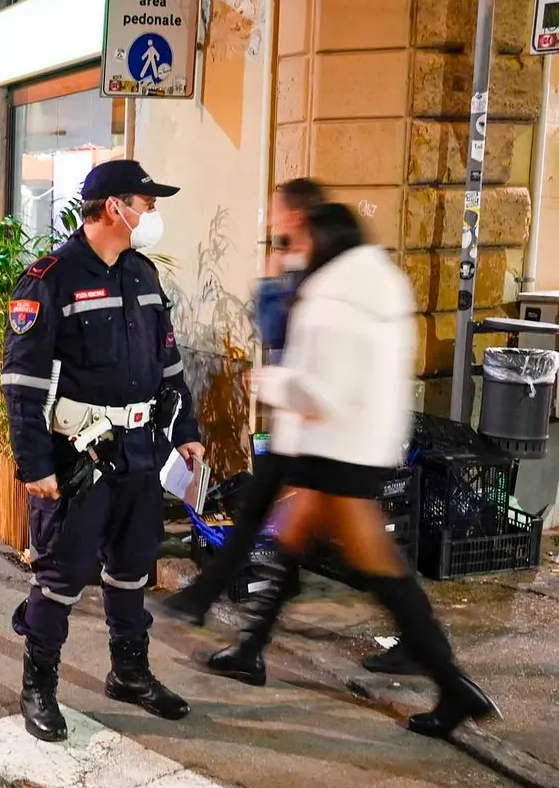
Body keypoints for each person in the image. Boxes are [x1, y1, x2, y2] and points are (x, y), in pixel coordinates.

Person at [206, 202, 498, 737]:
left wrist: (268, 384)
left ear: (322, 239)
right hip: (356, 445)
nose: (295, 250)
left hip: (340, 450)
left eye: (299, 239)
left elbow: (326, 391)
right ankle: (250, 649)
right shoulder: (379, 282)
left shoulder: (335, 296)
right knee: (296, 539)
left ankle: (453, 687)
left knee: (383, 574)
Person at [0, 158, 204, 741]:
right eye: (147, 203)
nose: (153, 213)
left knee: (132, 570)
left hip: (140, 453)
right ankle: (38, 685)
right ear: (115, 207)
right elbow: (22, 382)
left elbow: (168, 363)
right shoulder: (50, 278)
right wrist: (36, 465)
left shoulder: (141, 274)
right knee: (60, 577)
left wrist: (185, 429)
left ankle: (130, 673)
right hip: (80, 459)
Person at [159, 177, 327, 628]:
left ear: (294, 215)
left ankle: (429, 649)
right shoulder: (303, 264)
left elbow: (287, 337)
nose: (271, 217)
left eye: (277, 210)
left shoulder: (322, 271)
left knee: (364, 553)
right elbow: (275, 330)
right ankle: (237, 631)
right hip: (300, 424)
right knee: (264, 518)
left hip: (322, 428)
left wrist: (274, 383)